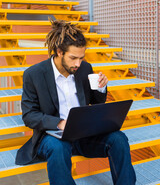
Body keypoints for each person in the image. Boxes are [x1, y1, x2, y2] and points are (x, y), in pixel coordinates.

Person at [16, 19, 136, 185]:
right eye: (73, 58)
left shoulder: (85, 68)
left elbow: (97, 102)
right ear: (59, 52)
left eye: (81, 58)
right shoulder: (34, 74)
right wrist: (60, 123)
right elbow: (29, 116)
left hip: (83, 135)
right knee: (58, 148)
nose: (78, 63)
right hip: (52, 136)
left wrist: (101, 88)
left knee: (119, 139)